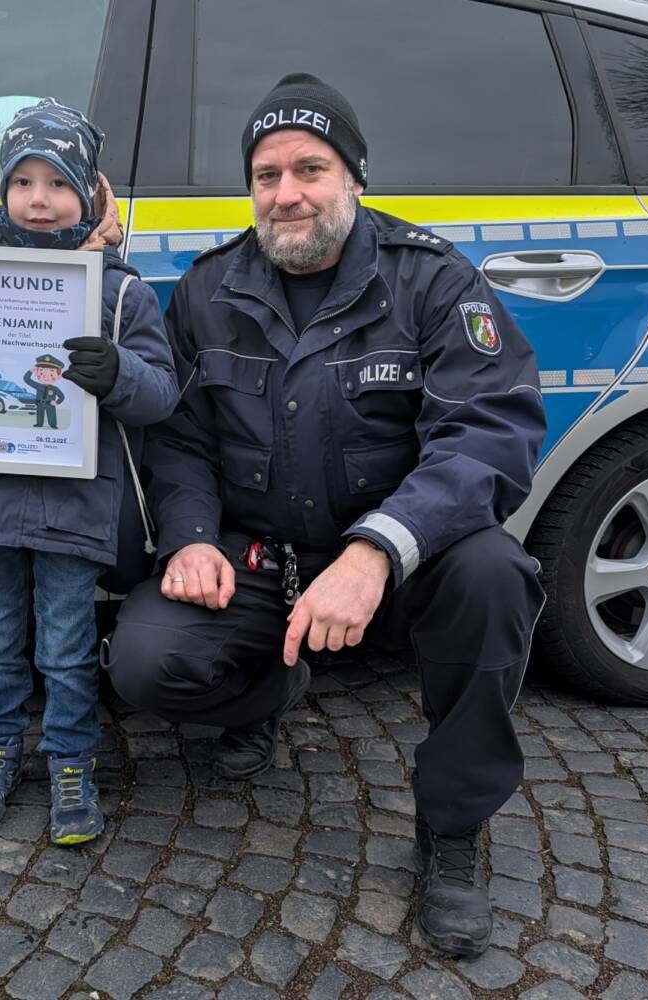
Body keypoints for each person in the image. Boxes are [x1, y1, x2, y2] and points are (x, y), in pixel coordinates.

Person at [103, 74, 546, 955]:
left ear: (354, 177)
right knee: (145, 663)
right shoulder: (207, 289)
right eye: (265, 175)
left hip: (398, 558)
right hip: (263, 553)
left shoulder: (430, 281)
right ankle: (266, 693)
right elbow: (181, 440)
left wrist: (379, 549)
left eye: (310, 168)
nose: (286, 193)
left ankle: (452, 831)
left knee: (496, 576)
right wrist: (191, 539)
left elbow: (489, 434)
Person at [0, 98, 178, 846]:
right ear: (2, 194)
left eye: (57, 182)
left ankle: (68, 757)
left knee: (62, 644)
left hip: (72, 509)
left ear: (89, 193)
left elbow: (161, 394)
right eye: (22, 181)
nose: (38, 198)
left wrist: (116, 370)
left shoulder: (120, 293)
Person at [24, 354, 67, 428]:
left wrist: (57, 402)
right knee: (39, 414)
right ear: (37, 373)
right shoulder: (38, 386)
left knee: (51, 414)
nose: (46, 376)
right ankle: (39, 424)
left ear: (59, 376)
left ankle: (53, 425)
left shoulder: (54, 388)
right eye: (41, 373)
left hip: (50, 404)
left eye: (51, 374)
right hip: (40, 404)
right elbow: (27, 379)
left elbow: (62, 396)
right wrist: (32, 370)